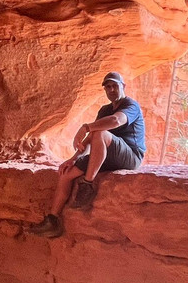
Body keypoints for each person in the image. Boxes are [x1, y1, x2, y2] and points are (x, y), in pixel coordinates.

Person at [30, 72, 145, 238]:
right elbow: (91, 138)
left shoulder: (130, 105)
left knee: (101, 133)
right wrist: (74, 158)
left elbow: (116, 121)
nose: (112, 89)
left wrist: (85, 127)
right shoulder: (105, 110)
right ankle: (52, 221)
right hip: (108, 154)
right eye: (108, 86)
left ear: (123, 86)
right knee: (66, 174)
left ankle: (87, 184)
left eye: (115, 85)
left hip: (131, 156)